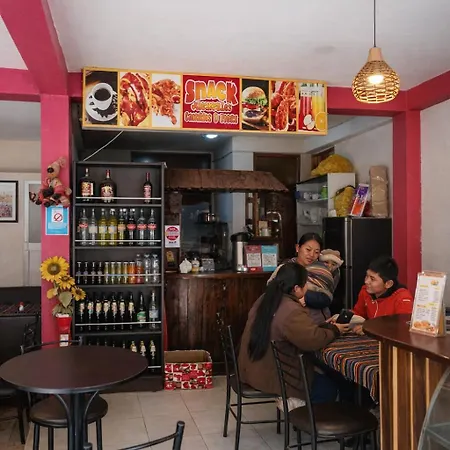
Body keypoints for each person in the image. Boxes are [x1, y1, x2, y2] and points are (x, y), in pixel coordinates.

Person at [238, 262, 349, 410]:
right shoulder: (291, 309)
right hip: (272, 375)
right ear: (296, 288)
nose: (307, 287)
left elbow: (300, 331)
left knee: (320, 373)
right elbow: (313, 340)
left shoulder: (266, 298)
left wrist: (325, 326)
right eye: (306, 284)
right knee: (328, 388)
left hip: (252, 368)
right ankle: (302, 415)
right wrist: (335, 330)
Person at [267, 233, 342, 323]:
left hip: (320, 321)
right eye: (308, 250)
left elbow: (327, 298)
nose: (311, 255)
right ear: (298, 248)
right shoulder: (285, 269)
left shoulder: (323, 271)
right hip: (292, 320)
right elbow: (273, 292)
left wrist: (305, 297)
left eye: (316, 252)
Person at [352, 255, 414, 335]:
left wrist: (370, 327)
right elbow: (358, 314)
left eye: (372, 279)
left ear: (388, 284)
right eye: (366, 276)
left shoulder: (402, 298)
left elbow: (403, 327)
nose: (366, 281)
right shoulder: (365, 291)